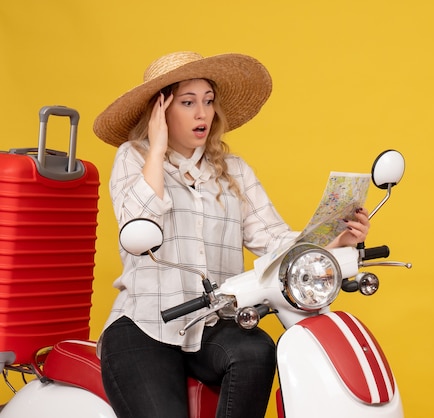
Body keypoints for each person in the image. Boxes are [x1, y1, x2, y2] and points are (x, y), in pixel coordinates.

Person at [92, 51, 370, 418]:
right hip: (145, 325)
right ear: (160, 111)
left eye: (208, 101)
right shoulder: (134, 158)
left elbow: (273, 239)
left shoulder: (232, 169)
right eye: (188, 103)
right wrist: (156, 148)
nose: (202, 114)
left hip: (212, 323)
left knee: (256, 351)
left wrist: (337, 240)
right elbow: (137, 223)